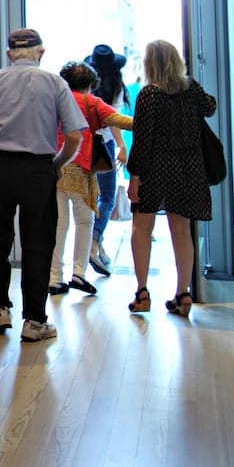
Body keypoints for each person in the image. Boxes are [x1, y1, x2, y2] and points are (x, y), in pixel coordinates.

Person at [0, 28, 86, 342]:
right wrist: (56, 164)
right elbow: (74, 136)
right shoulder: (56, 83)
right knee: (38, 243)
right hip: (36, 169)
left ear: (8, 54)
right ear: (41, 52)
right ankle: (34, 321)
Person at [125, 39, 217, 317]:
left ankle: (142, 293)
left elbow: (141, 140)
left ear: (151, 64)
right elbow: (211, 107)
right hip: (189, 168)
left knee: (142, 228)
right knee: (181, 229)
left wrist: (134, 177)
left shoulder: (149, 95)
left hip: (156, 168)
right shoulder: (190, 89)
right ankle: (183, 293)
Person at [48, 61, 133, 296]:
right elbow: (121, 121)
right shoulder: (91, 102)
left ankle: (55, 277)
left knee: (59, 224)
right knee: (84, 223)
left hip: (54, 167)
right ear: (90, 84)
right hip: (80, 167)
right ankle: (79, 273)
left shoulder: (55, 100)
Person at [84, 44, 131, 276]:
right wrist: (122, 146)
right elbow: (113, 121)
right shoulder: (115, 88)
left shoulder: (85, 87)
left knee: (88, 198)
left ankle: (96, 244)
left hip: (81, 146)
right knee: (107, 197)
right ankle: (94, 241)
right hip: (103, 147)